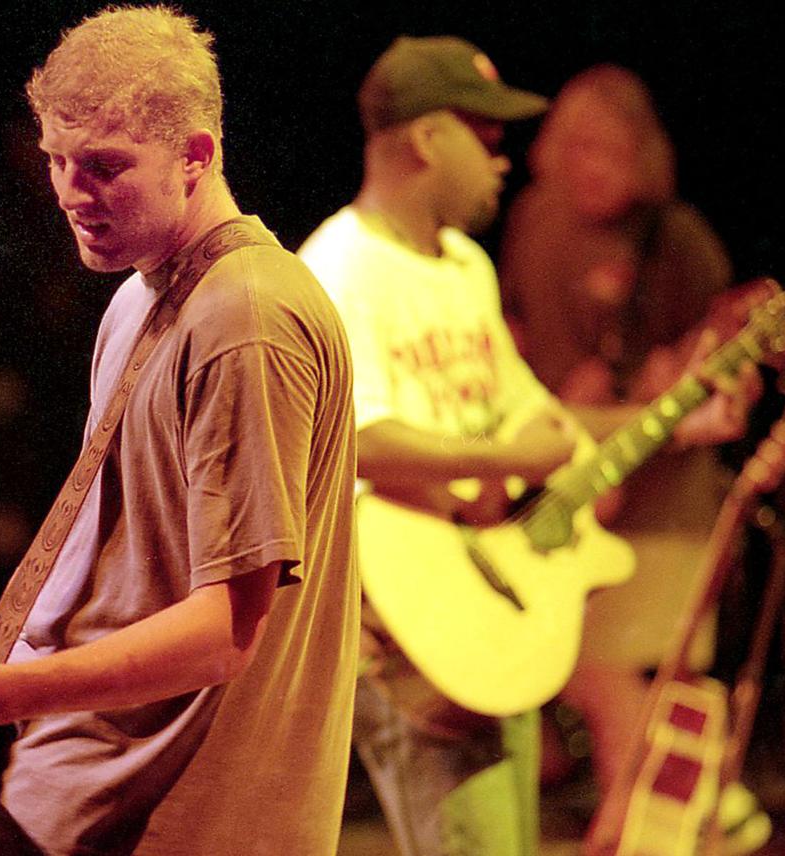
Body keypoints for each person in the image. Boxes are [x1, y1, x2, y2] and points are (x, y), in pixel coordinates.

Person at [0, 7, 359, 855]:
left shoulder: (247, 318)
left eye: (105, 166)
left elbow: (225, 631)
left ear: (196, 155)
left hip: (181, 821)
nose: (71, 192)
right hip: (80, 797)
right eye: (56, 160)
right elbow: (93, 574)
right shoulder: (139, 297)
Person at [299, 37, 755, 856]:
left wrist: (673, 417)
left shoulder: (466, 267)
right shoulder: (341, 267)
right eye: (485, 135)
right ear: (427, 139)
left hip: (491, 605)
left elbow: (539, 422)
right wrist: (507, 459)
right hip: (404, 628)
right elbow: (352, 439)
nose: (504, 158)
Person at [497, 64, 770, 854]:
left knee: (625, 670)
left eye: (611, 151)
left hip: (663, 500)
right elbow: (514, 328)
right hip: (572, 481)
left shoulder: (677, 240)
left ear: (643, 155)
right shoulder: (534, 220)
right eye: (577, 147)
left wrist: (676, 377)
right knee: (580, 669)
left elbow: (725, 371)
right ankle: (705, 809)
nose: (592, 167)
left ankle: (664, 824)